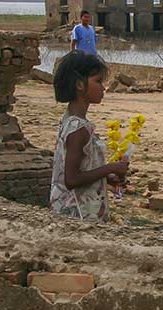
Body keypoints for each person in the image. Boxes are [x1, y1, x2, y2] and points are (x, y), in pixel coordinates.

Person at [50, 50, 128, 222]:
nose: (103, 88)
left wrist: (107, 178)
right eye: (98, 81)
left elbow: (82, 169)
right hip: (77, 214)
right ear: (79, 84)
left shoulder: (70, 121)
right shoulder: (78, 129)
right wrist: (111, 168)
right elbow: (71, 179)